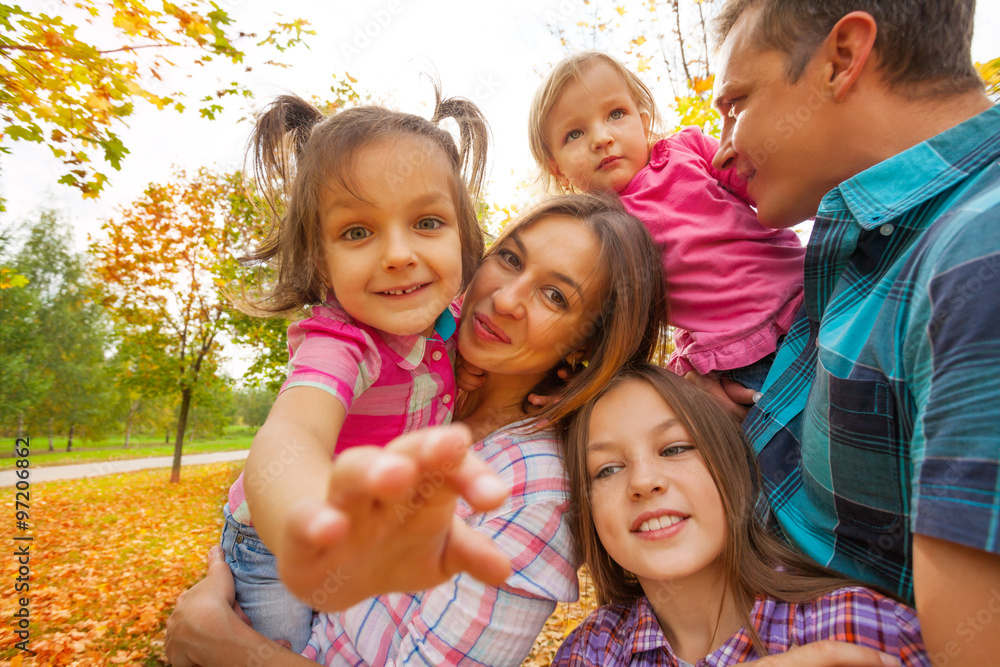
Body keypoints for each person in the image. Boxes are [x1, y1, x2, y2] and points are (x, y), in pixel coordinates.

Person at [165, 193, 669, 667]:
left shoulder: (534, 490)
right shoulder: (414, 372)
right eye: (511, 259)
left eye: (555, 296)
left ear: (588, 346)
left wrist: (227, 646)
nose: (507, 298)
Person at [706, 1, 1000, 663]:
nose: (723, 147)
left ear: (842, 59)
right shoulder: (886, 237)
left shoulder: (979, 253)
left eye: (736, 103)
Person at [219, 89, 494, 651]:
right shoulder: (342, 343)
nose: (397, 253)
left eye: (427, 221)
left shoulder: (457, 323)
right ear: (322, 259)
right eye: (357, 232)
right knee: (285, 651)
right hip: (274, 549)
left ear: (463, 237)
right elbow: (295, 429)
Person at [555, 363, 929, 666]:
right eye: (606, 469)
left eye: (674, 449)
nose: (643, 480)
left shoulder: (857, 627)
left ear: (730, 466)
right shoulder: (590, 651)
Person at [529, 51, 805, 392]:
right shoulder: (598, 235)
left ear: (644, 123)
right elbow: (600, 323)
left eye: (616, 114)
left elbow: (769, 188)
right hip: (736, 357)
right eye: (574, 134)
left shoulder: (688, 149)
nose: (601, 138)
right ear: (559, 169)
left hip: (805, 290)